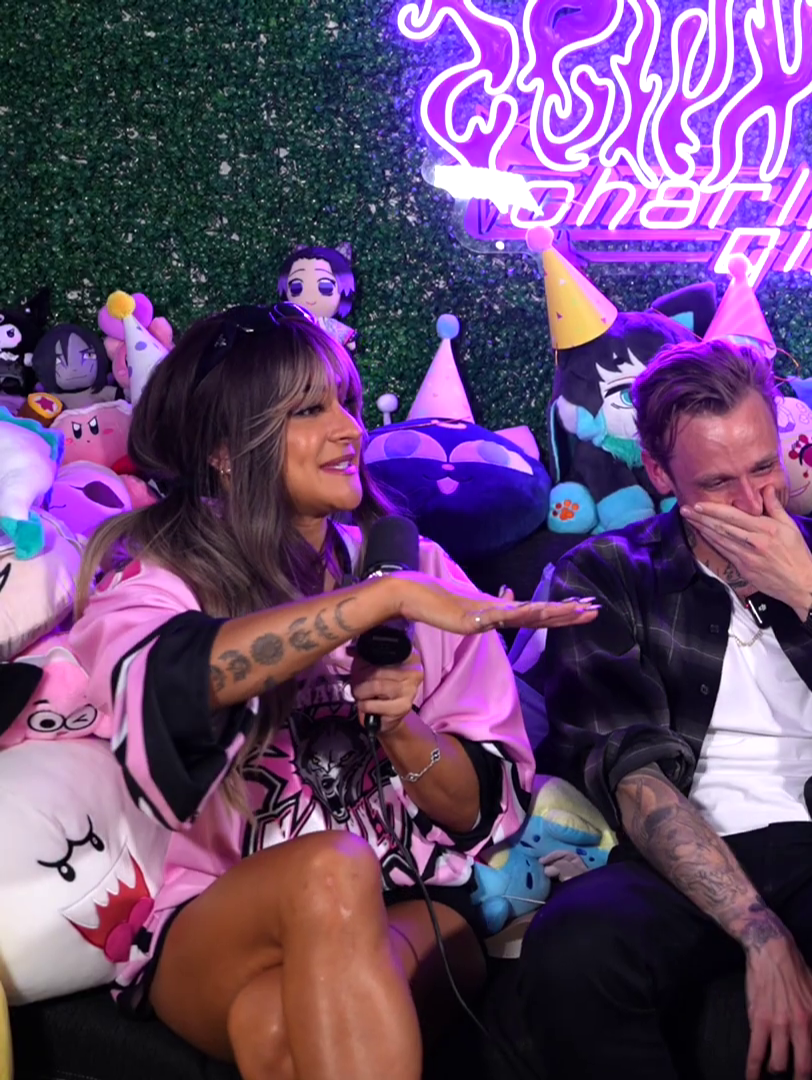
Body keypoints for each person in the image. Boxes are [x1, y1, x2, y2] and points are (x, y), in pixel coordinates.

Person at [66, 302, 598, 1080]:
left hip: (407, 908)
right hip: (220, 918)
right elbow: (170, 681)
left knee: (277, 1023)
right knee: (329, 867)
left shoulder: (423, 571)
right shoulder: (164, 580)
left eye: (346, 401)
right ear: (224, 449)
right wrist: (378, 600)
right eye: (309, 411)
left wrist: (402, 725)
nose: (350, 429)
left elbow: (478, 811)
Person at [519, 339, 812, 1080]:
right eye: (717, 483)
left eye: (765, 468)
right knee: (573, 947)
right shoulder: (605, 576)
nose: (754, 502)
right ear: (660, 474)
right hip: (677, 859)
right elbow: (636, 781)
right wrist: (762, 934)